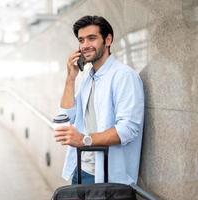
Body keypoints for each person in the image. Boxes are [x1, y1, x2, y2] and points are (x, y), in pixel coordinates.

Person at [54, 15, 144, 185]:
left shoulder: (123, 76)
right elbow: (65, 118)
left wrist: (84, 140)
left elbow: (129, 129)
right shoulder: (88, 77)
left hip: (106, 177)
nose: (85, 45)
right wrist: (71, 78)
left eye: (92, 38)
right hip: (80, 169)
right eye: (81, 40)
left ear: (108, 40)